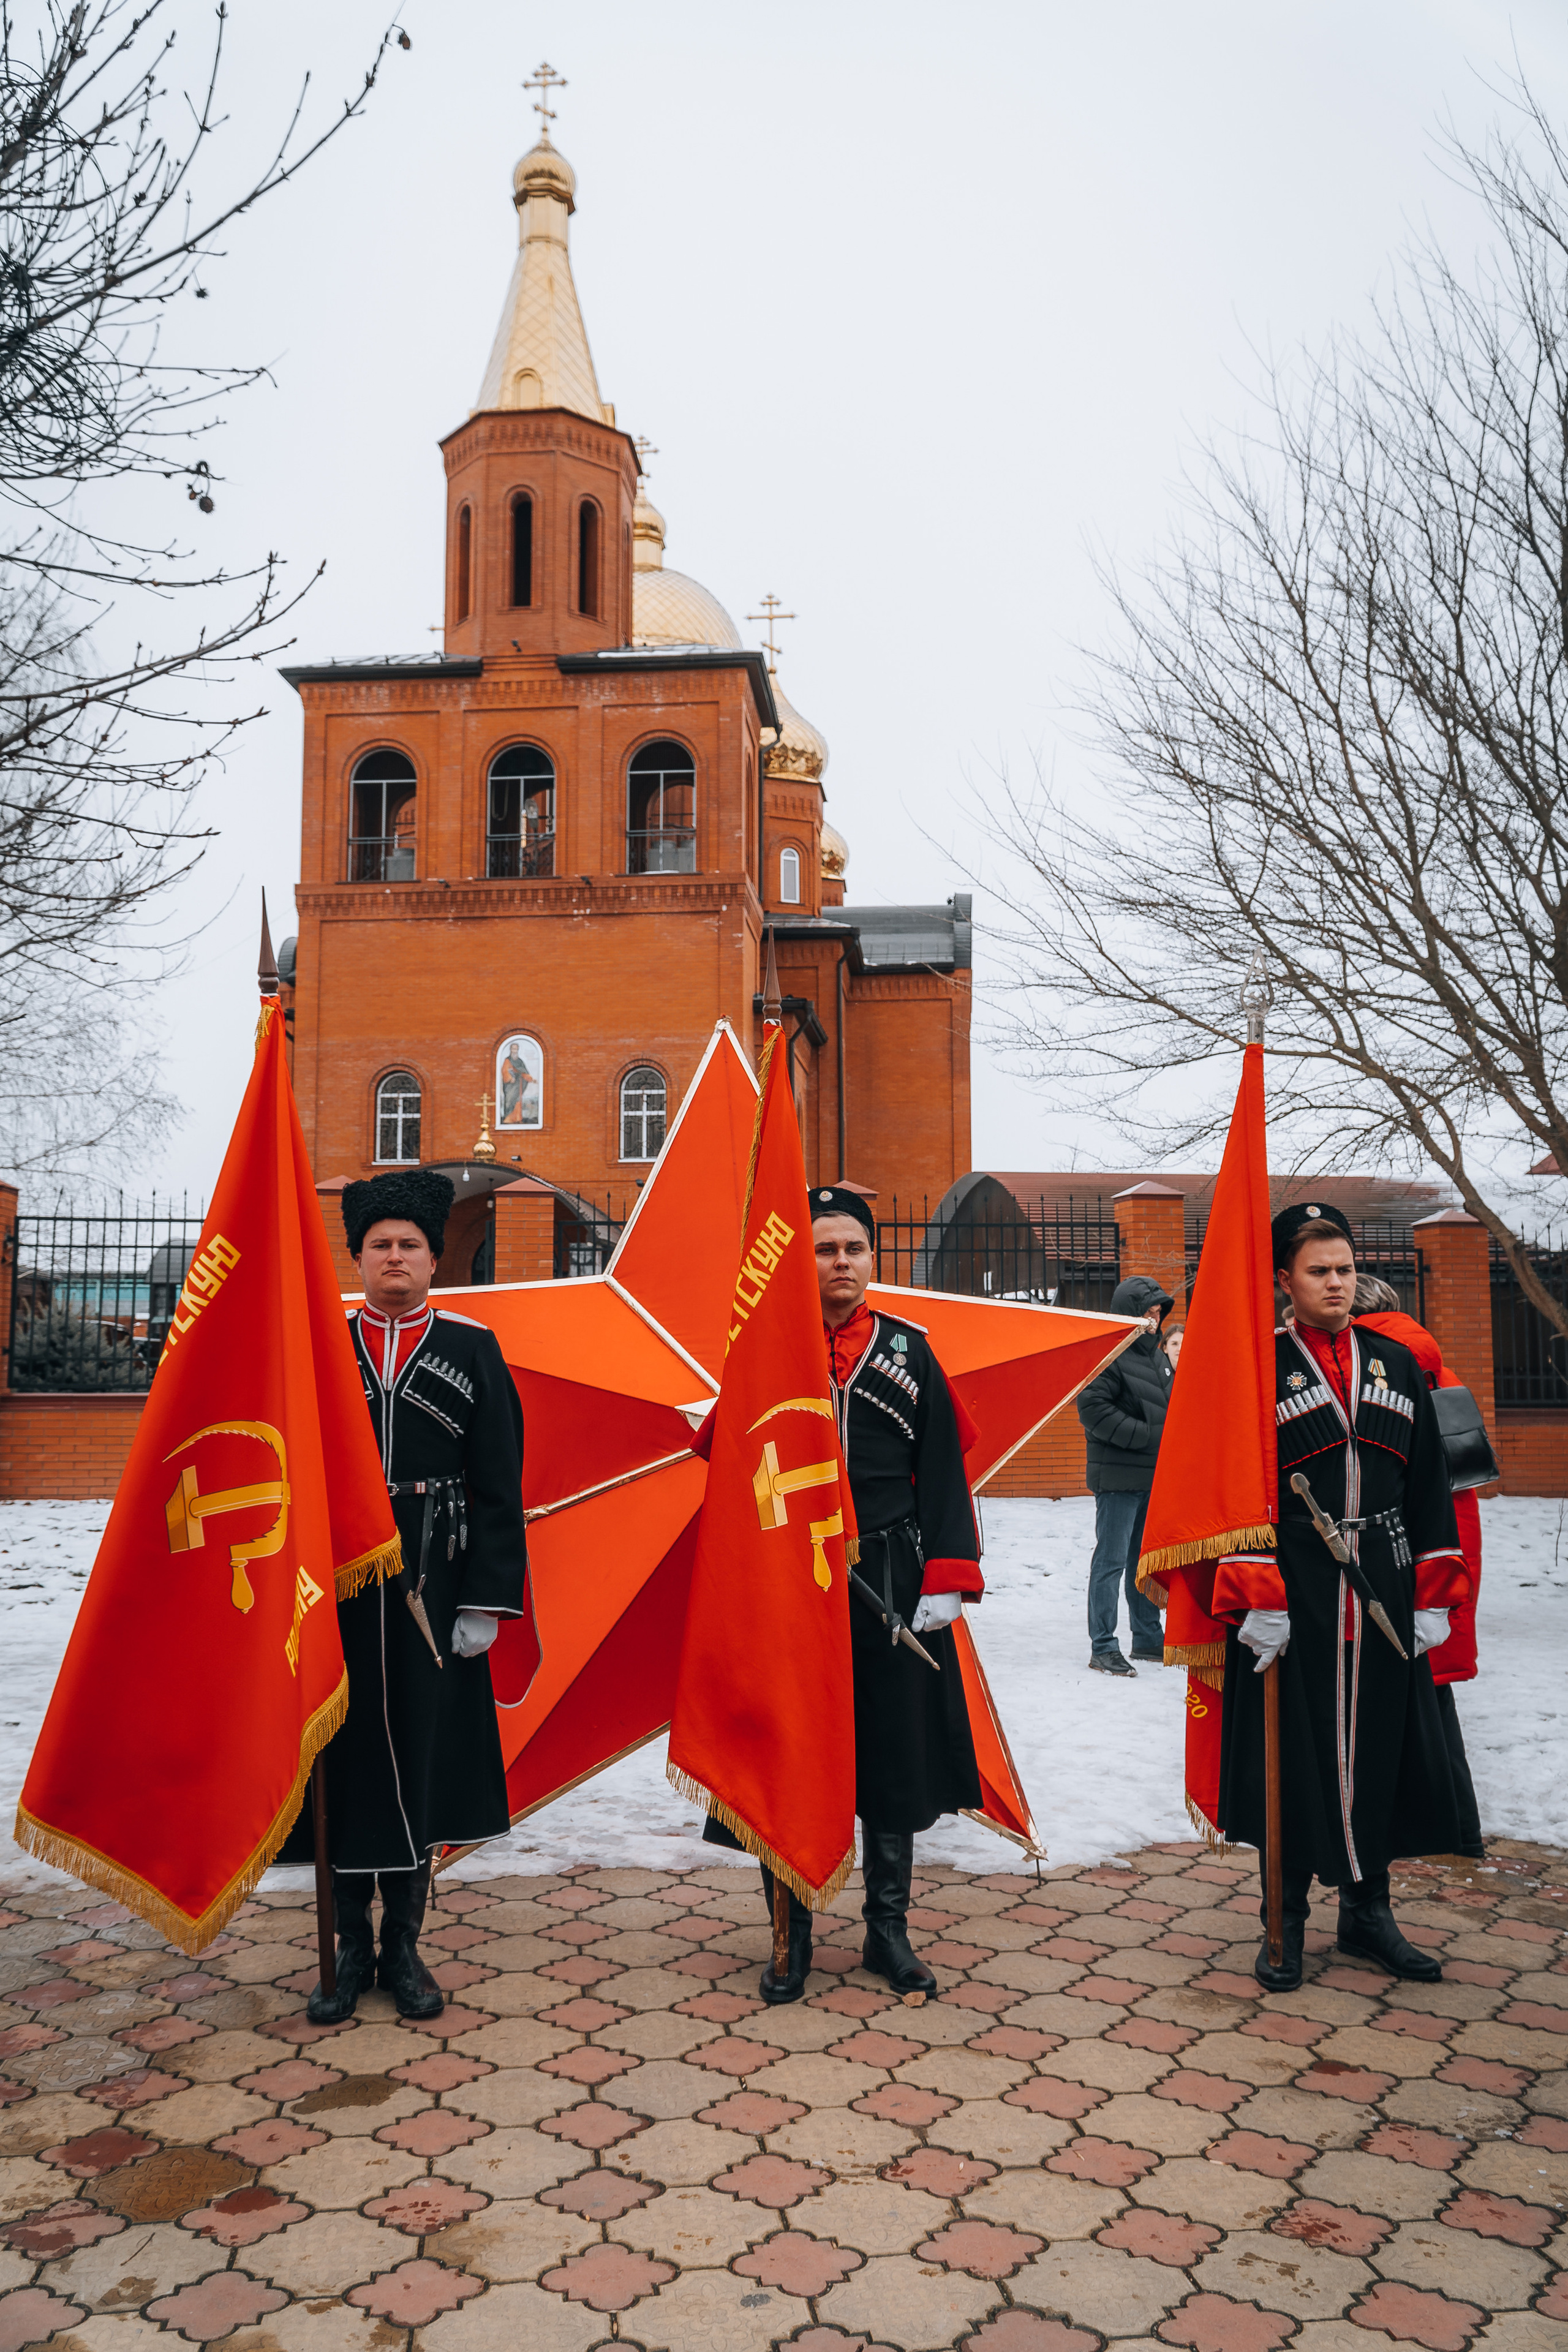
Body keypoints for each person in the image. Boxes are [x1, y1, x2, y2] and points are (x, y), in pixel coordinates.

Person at [707, 1185, 984, 2005]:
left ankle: (886, 1931)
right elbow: (724, 1465)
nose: (840, 1263)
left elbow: (943, 1471)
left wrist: (949, 1577)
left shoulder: (910, 1351)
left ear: (873, 1258)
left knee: (892, 1753)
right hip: (786, 1585)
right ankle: (789, 1934)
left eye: (853, 1249)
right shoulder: (763, 1352)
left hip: (892, 1583)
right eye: (824, 1250)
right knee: (786, 1750)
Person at [1211, 1202, 1471, 1992]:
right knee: (1292, 1751)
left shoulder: (1392, 1362)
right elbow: (1225, 1491)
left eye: (1345, 1269)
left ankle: (1367, 1914)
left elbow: (1429, 1485)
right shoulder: (1257, 1367)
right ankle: (1282, 1919)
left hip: (1385, 1584)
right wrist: (1256, 1590)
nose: (1335, 1283)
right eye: (1319, 1270)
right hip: (1292, 1590)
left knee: (1380, 1748)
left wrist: (1434, 1590)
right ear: (1284, 1279)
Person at [296, 1169, 531, 2024]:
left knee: (424, 1761)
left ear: (436, 1260)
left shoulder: (474, 1350)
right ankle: (348, 1944)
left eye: (411, 1246)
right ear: (356, 1256)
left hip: (435, 1589)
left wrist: (488, 1600)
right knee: (345, 1760)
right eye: (379, 1246)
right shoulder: (320, 1345)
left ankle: (404, 1943)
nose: (395, 1258)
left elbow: (501, 1483)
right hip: (336, 1592)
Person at [1352, 1275, 1485, 1861]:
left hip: (1402, 1554)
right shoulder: (1438, 1366)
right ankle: (1461, 1831)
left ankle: (1443, 1832)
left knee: (1410, 1707)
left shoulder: (1376, 1368)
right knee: (1434, 1704)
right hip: (1448, 1549)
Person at [1076, 1275, 1174, 1675]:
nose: (1155, 1317)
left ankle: (1149, 1640)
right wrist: (1146, 1437)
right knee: (1111, 1563)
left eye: (1158, 1311)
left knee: (1143, 1563)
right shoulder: (1110, 1353)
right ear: (1131, 1313)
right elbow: (1092, 1408)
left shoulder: (1155, 1355)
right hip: (1117, 1481)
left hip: (1152, 1478)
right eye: (1149, 1311)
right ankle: (1104, 1646)